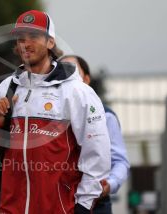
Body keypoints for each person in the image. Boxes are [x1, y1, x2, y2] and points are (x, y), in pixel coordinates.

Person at [0, 10, 111, 214]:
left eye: (34, 36)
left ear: (50, 42)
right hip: (10, 209)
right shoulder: (5, 89)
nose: (26, 43)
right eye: (21, 38)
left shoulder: (77, 92)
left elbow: (97, 156)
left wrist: (83, 206)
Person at [60, 55, 130, 214]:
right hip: (59, 201)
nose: (67, 79)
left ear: (86, 79)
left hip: (95, 203)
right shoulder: (50, 117)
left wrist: (109, 184)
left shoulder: (105, 115)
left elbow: (120, 161)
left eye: (74, 73)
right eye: (62, 73)